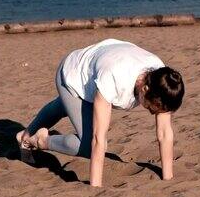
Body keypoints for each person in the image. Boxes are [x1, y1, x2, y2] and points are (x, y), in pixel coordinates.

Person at [16, 38, 185, 187]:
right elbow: (98, 139)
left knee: (63, 107)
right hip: (71, 73)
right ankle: (40, 140)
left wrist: (167, 178)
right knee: (86, 144)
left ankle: (24, 135)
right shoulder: (114, 79)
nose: (152, 113)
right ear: (145, 89)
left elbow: (164, 133)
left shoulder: (162, 80)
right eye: (151, 108)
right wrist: (95, 187)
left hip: (95, 69)